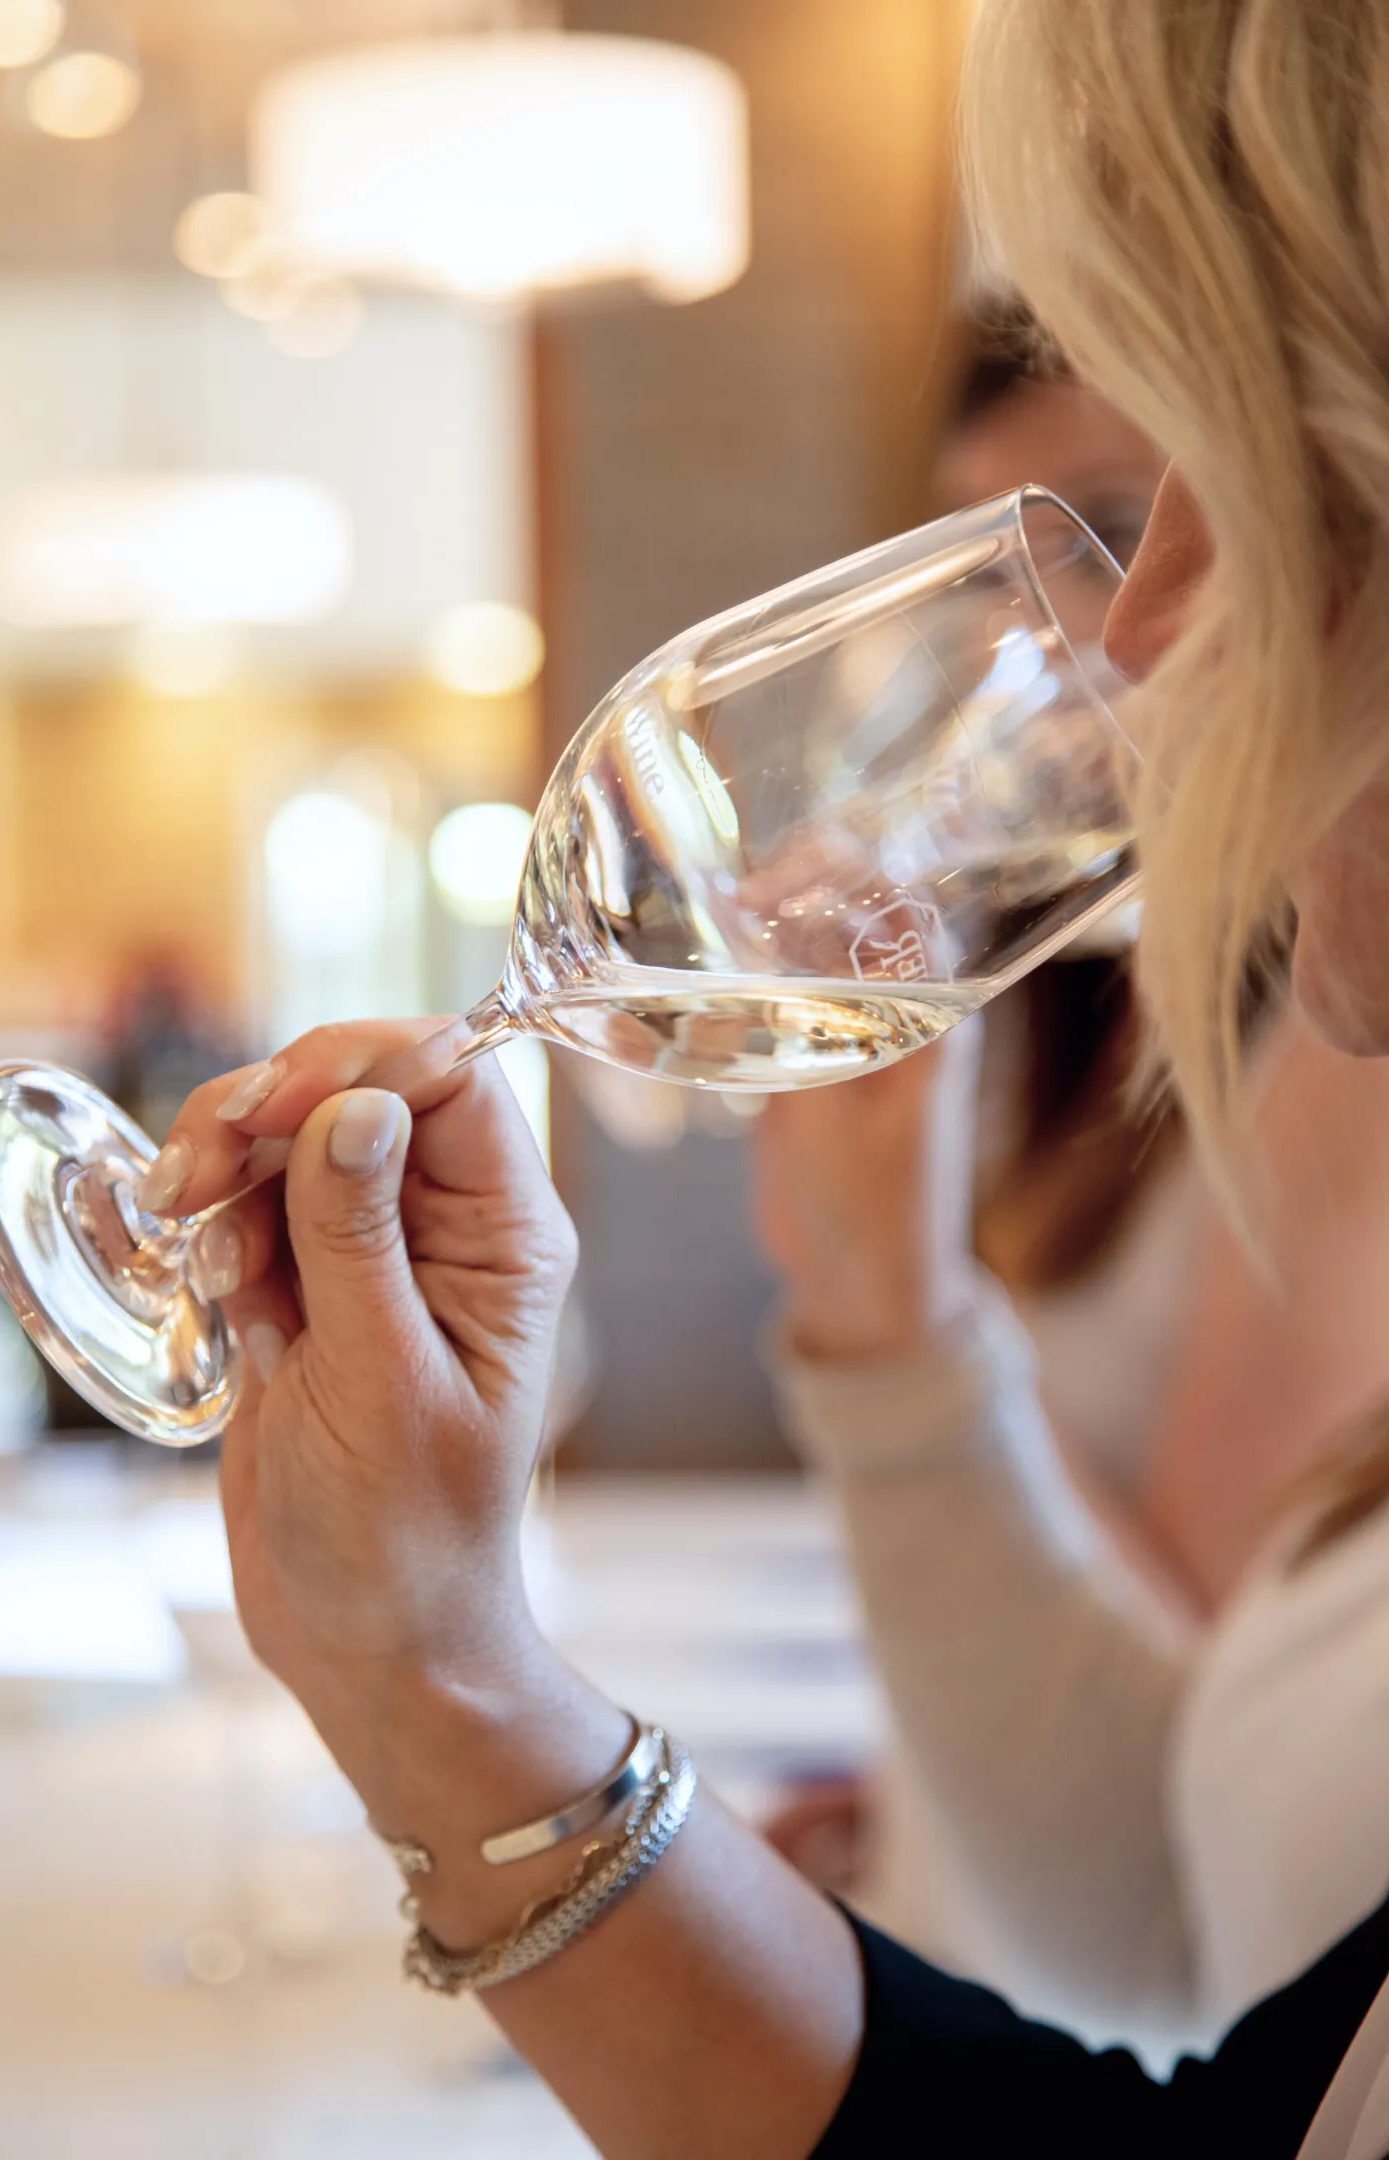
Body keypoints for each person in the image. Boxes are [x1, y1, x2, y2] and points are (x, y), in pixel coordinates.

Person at [135, 2, 1389, 2152]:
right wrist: (427, 1666)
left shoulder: (1283, 1106)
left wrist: (878, 1308)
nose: (1144, 639)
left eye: (1231, 470)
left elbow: (1137, 1930)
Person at [756, 315, 1389, 2058]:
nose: (1075, 624)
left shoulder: (1344, 1045)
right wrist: (895, 1839)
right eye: (993, 551)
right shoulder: (1086, 1019)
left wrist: (887, 1304)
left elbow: (1199, 1788)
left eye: (1114, 514)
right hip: (988, 1976)